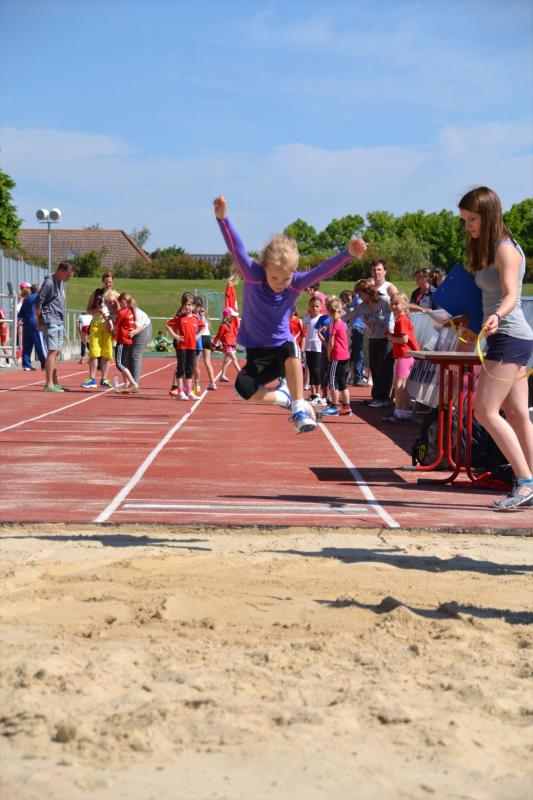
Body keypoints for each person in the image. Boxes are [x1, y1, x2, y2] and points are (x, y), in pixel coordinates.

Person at [214, 195, 367, 433]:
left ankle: (298, 409)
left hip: (282, 349)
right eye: (274, 277)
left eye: (285, 278)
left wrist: (348, 253)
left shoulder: (295, 283)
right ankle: (283, 397)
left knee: (290, 347)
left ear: (293, 274)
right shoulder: (253, 275)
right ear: (264, 267)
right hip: (257, 354)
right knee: (243, 389)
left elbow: (322, 271)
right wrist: (223, 219)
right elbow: (237, 248)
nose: (279, 283)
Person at [459, 186, 533, 511]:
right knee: (516, 414)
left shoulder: (506, 250)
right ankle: (530, 480)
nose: (468, 227)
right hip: (506, 336)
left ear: (488, 216)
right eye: (464, 220)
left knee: (485, 411)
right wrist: (471, 320)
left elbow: (512, 295)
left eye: (472, 220)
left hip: (509, 336)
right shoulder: (490, 249)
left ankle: (525, 481)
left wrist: (497, 316)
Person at [345, 278, 394, 407]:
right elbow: (348, 316)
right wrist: (331, 321)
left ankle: (383, 398)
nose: (359, 297)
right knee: (374, 367)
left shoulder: (384, 300)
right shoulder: (362, 306)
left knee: (385, 368)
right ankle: (376, 397)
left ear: (368, 292)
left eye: (361, 294)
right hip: (373, 338)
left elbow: (398, 308)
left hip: (387, 339)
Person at [34, 261, 75, 392]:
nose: (68, 278)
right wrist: (38, 320)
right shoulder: (49, 282)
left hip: (58, 320)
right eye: (67, 275)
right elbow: (38, 302)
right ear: (61, 270)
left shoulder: (60, 282)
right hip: (50, 320)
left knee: (57, 352)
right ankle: (48, 384)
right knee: (52, 351)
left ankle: (55, 381)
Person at [384, 292, 419, 423]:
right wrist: (392, 335)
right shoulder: (401, 319)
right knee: (402, 385)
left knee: (398, 385)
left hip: (404, 355)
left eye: (396, 304)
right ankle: (403, 412)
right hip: (406, 355)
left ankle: (399, 412)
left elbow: (404, 340)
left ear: (404, 305)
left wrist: (390, 337)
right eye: (392, 304)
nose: (393, 306)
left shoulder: (402, 320)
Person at [166, 294, 205, 400]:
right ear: (183, 306)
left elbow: (203, 327)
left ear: (193, 306)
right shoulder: (180, 318)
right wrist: (176, 336)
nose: (188, 307)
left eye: (190, 305)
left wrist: (197, 336)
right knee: (181, 369)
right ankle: (180, 392)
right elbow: (168, 324)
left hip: (192, 347)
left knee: (190, 369)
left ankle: (189, 392)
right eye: (186, 305)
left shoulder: (196, 318)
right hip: (182, 347)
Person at [321, 297, 352, 417]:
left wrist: (329, 355)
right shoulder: (342, 323)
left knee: (333, 381)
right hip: (345, 356)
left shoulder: (334, 324)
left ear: (329, 311)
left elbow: (331, 343)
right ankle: (346, 407)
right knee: (342, 382)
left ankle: (334, 406)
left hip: (337, 356)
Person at [81, 287, 115, 389]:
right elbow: (88, 309)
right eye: (106, 281)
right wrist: (98, 310)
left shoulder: (114, 294)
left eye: (110, 281)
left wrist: (109, 309)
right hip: (96, 325)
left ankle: (104, 379)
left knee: (107, 352)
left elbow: (118, 309)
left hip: (108, 324)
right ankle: (92, 379)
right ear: (103, 281)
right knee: (94, 352)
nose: (108, 284)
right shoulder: (97, 293)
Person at [18, 283, 47, 371]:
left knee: (27, 344)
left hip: (26, 323)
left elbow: (21, 312)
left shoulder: (26, 299)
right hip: (35, 322)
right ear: (38, 290)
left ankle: (26, 365)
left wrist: (19, 318)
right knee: (39, 343)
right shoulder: (38, 298)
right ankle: (44, 363)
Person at [114, 292, 139, 393]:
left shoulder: (122, 313)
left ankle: (133, 383)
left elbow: (115, 327)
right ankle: (127, 384)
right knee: (124, 363)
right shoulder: (131, 311)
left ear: (123, 302)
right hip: (128, 341)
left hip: (122, 340)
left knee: (119, 364)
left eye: (119, 302)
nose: (119, 305)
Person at [302, 296, 323, 401]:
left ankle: (318, 393)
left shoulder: (323, 318)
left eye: (317, 306)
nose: (314, 308)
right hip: (308, 347)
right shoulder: (306, 318)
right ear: (309, 307)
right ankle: (313, 393)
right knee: (310, 369)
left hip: (318, 347)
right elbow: (303, 330)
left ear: (321, 307)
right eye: (312, 306)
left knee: (317, 369)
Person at [194, 296, 217, 390]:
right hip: (207, 338)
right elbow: (208, 326)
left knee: (195, 363)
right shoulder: (205, 313)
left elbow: (199, 326)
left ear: (196, 305)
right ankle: (213, 383)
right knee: (207, 362)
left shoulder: (199, 313)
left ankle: (197, 385)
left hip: (200, 338)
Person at [212, 307, 241, 381]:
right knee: (234, 358)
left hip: (230, 345)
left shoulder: (230, 324)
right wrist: (214, 344)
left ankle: (222, 375)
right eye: (232, 316)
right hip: (227, 346)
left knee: (226, 361)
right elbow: (218, 336)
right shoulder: (223, 326)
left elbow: (234, 333)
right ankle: (241, 374)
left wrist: (235, 341)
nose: (233, 317)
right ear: (228, 316)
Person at [129, 303, 152, 388]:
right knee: (127, 356)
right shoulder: (111, 310)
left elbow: (139, 327)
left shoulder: (134, 312)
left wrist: (134, 332)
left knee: (135, 355)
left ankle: (134, 384)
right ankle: (129, 382)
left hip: (143, 327)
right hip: (133, 329)